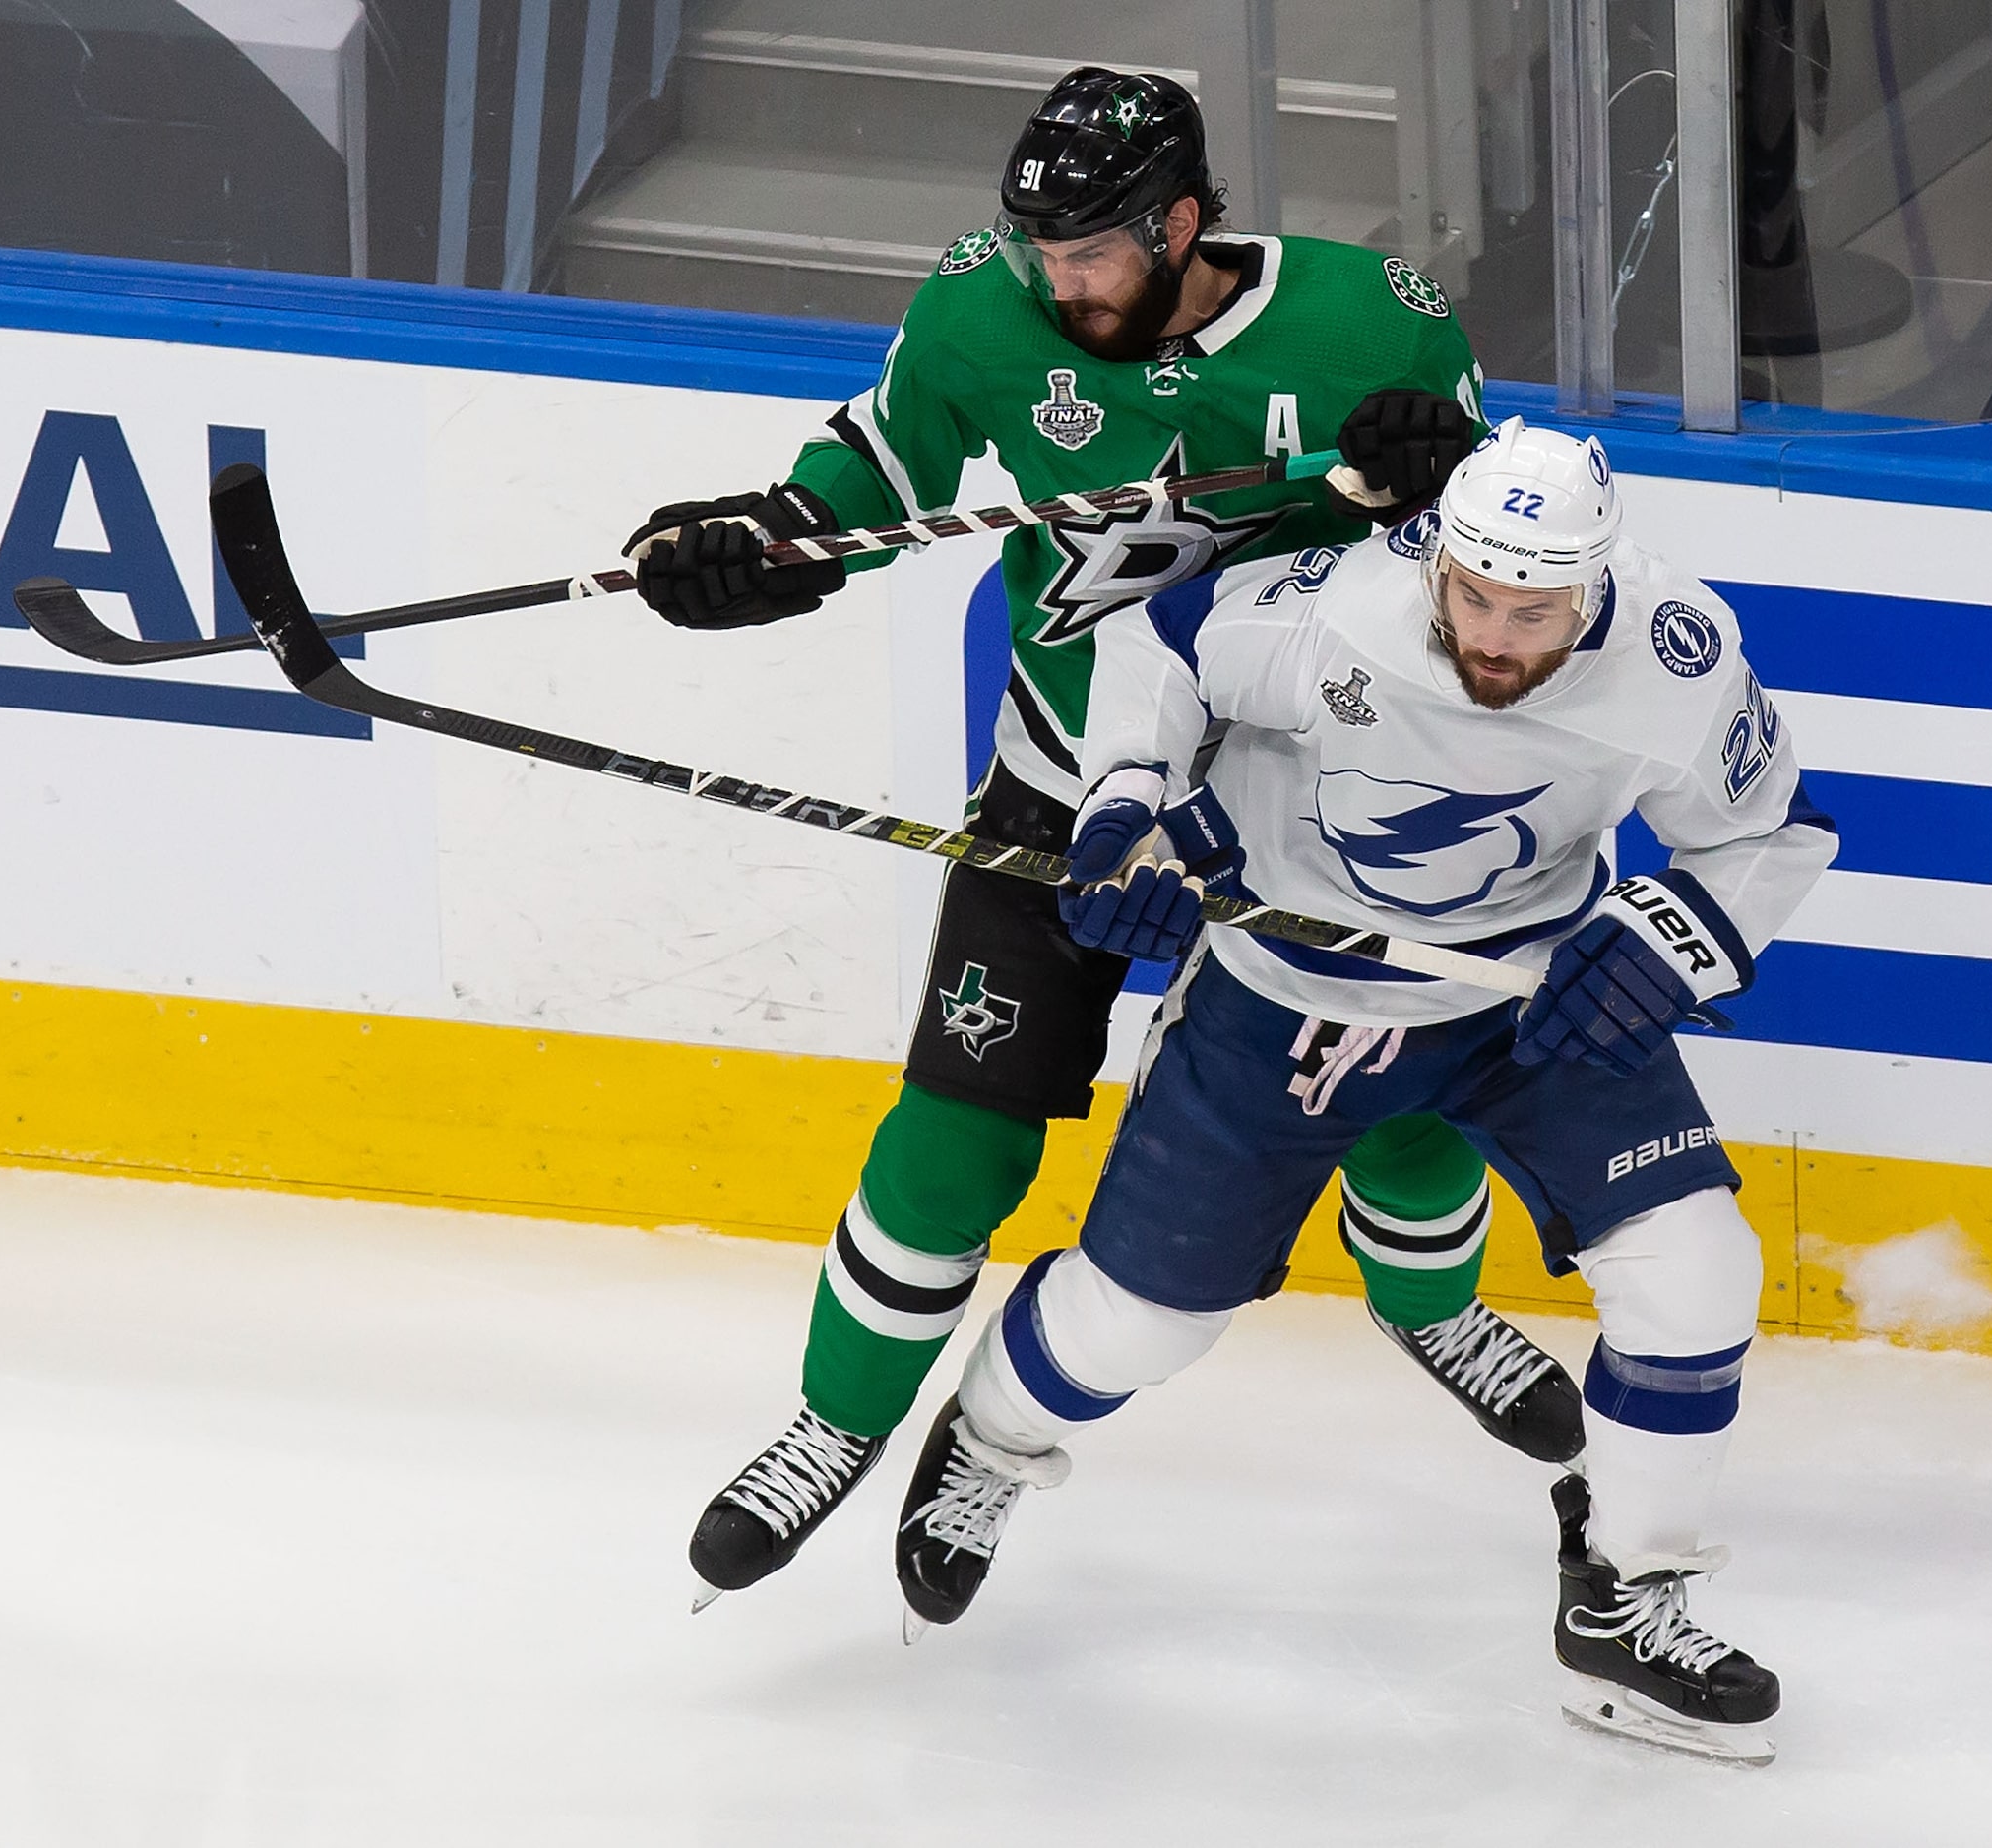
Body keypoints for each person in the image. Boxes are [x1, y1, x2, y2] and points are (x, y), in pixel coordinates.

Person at [631, 68, 1586, 1608]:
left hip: (1304, 814)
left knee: (1405, 1103)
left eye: (1089, 254)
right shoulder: (975, 312)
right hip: (1069, 786)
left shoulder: (1373, 321)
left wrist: (1437, 480)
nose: (1055, 283)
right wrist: (766, 539)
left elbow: (1483, 568)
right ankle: (836, 1421)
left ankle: (1432, 1306)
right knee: (956, 1132)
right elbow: (874, 471)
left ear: (1186, 223)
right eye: (1037, 254)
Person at [895, 420, 1838, 1766]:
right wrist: (1124, 808)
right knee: (1140, 1327)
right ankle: (989, 1438)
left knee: (1696, 1268)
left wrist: (1669, 937)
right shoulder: (1336, 611)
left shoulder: (1675, 659)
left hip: (1526, 996)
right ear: (1435, 557)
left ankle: (1627, 1602)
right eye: (1474, 595)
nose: (1498, 635)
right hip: (1288, 990)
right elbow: (1152, 643)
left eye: (1536, 609)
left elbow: (1772, 827)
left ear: (1597, 581)